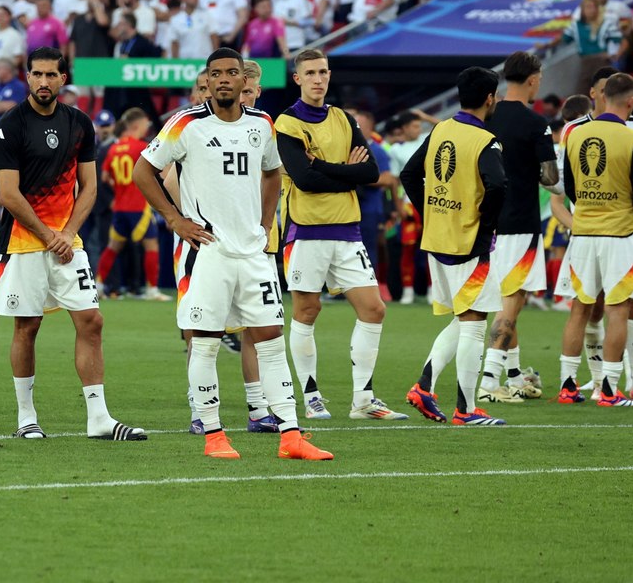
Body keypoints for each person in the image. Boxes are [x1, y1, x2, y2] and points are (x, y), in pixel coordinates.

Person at [134, 48, 333, 460]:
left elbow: (273, 170)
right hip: (209, 253)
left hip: (253, 254)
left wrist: (264, 223)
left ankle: (291, 436)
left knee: (270, 340)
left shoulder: (261, 123)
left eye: (232, 73)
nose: (224, 79)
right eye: (216, 73)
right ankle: (213, 435)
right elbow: (143, 170)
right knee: (205, 342)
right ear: (207, 80)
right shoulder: (185, 123)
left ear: (245, 81)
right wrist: (175, 220)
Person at [0, 47, 146, 441]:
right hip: (24, 244)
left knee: (91, 321)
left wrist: (66, 234)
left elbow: (89, 186)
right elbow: (8, 193)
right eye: (37, 74)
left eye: (51, 75)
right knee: (27, 326)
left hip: (66, 241)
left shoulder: (80, 123)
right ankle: (26, 418)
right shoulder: (11, 124)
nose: (43, 82)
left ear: (63, 79)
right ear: (27, 77)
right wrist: (49, 236)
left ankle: (99, 419)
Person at [275, 49, 406, 421]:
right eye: (311, 73)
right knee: (307, 310)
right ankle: (312, 396)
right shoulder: (287, 123)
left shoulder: (344, 119)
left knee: (373, 308)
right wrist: (343, 171)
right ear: (298, 78)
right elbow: (303, 178)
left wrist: (325, 168)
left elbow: (370, 174)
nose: (318, 79)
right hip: (307, 232)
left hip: (348, 232)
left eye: (323, 72)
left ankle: (363, 400)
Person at [400, 67, 508, 426]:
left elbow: (409, 175)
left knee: (464, 319)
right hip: (467, 242)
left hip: (438, 238)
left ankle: (425, 387)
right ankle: (466, 408)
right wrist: (485, 229)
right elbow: (497, 186)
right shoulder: (485, 140)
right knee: (475, 323)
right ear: (489, 98)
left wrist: (430, 214)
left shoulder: (441, 128)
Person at [479, 52, 557, 403]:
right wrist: (531, 172)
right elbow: (551, 176)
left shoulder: (487, 117)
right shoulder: (535, 122)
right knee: (511, 300)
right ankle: (489, 378)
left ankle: (512, 374)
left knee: (509, 296)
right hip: (521, 222)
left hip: (487, 221)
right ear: (533, 79)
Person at [555, 74, 633, 407]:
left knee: (579, 309)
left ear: (604, 97)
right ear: (629, 102)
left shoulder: (575, 134)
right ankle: (609, 390)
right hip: (619, 234)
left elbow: (569, 187)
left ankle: (568, 386)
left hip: (583, 232)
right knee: (618, 309)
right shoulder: (630, 137)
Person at [96, 108, 168, 301]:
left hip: (119, 208)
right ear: (137, 125)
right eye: (145, 124)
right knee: (151, 247)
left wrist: (121, 186)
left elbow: (105, 178)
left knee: (112, 247)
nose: (147, 128)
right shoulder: (141, 147)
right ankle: (152, 290)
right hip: (138, 207)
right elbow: (158, 172)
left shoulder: (113, 148)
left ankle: (99, 286)